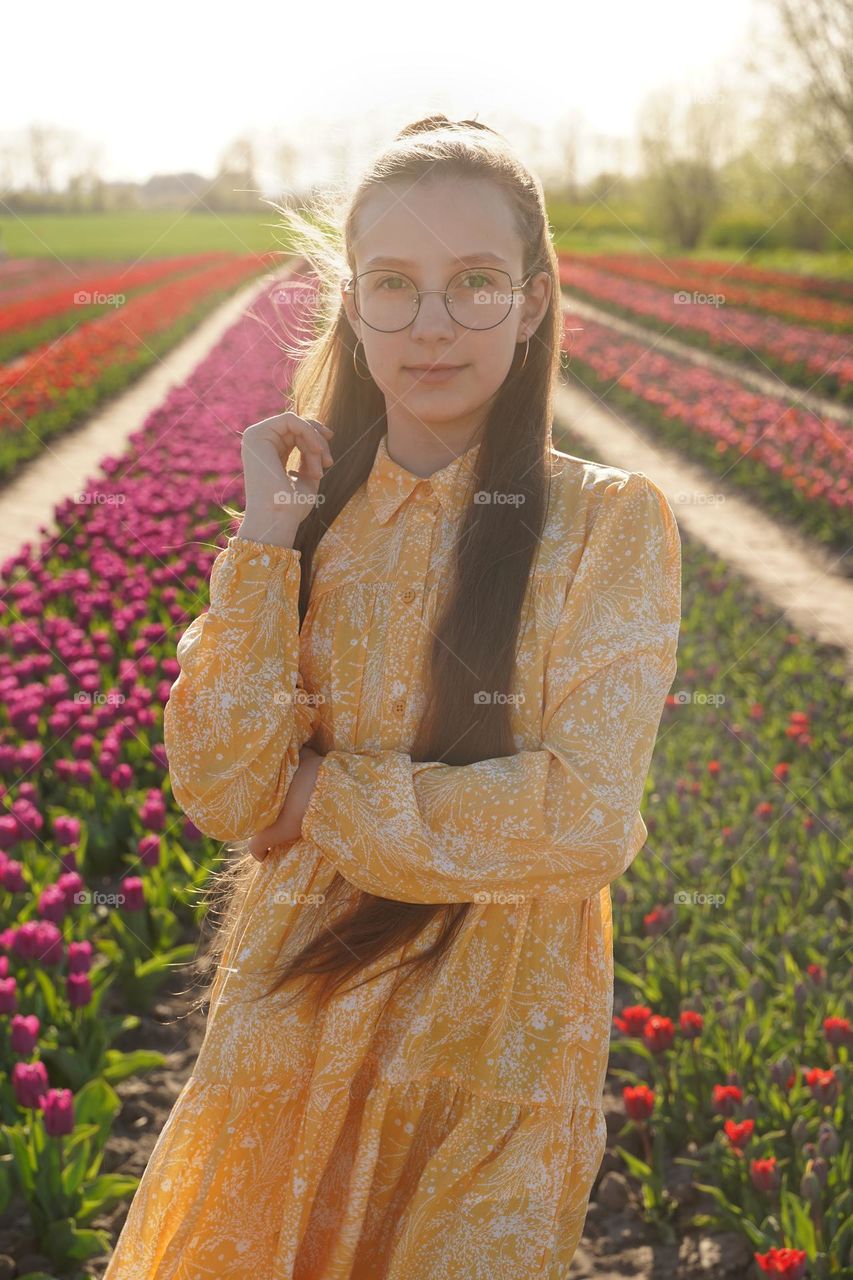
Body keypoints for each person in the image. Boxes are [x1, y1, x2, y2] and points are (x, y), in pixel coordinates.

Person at [104, 113, 681, 1279]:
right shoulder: (307, 527)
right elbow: (222, 786)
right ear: (351, 306)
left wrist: (318, 791)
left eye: (474, 284)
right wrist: (265, 537)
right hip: (294, 1026)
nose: (431, 324)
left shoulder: (604, 524)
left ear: (530, 302)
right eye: (395, 285)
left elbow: (584, 819)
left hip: (495, 1052)